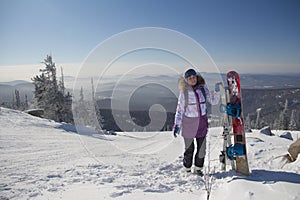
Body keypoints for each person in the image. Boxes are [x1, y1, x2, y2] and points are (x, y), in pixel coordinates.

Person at [173, 68, 221, 175]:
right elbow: (180, 110)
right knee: (189, 149)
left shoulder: (203, 89)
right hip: (189, 123)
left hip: (201, 123)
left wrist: (217, 91)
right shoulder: (184, 93)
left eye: (194, 77)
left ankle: (198, 169)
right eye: (189, 78)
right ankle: (187, 168)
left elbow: (213, 101)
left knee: (201, 149)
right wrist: (177, 125)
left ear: (197, 77)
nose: (192, 79)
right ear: (186, 80)